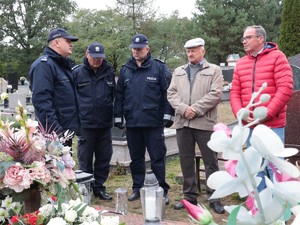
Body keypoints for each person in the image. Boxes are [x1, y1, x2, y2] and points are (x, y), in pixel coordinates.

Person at [230, 25, 293, 192]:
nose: (244, 41)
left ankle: (280, 214)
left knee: (275, 169)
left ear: (261, 39)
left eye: (248, 37)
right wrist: (241, 114)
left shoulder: (278, 57)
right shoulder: (241, 63)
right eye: (243, 38)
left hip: (272, 125)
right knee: (255, 169)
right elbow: (235, 92)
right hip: (250, 126)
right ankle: (261, 211)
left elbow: (285, 88)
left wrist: (266, 114)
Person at [114, 34, 174, 205]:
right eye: (133, 48)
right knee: (136, 159)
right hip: (132, 123)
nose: (136, 51)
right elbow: (119, 96)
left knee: (157, 157)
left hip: (153, 122)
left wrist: (168, 115)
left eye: (139, 48)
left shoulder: (159, 68)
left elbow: (167, 93)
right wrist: (118, 117)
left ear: (147, 49)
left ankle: (161, 190)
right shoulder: (126, 69)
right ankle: (137, 188)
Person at [167, 37, 225, 214]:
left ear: (203, 51)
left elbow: (216, 94)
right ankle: (189, 196)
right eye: (188, 51)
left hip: (204, 123)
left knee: (211, 161)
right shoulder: (178, 71)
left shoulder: (214, 70)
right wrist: (184, 109)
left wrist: (195, 109)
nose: (190, 54)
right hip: (183, 122)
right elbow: (171, 93)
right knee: (186, 160)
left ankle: (215, 197)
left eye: (194, 50)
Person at [73, 42, 115, 201]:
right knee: (85, 158)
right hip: (86, 124)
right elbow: (73, 99)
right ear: (87, 54)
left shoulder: (109, 72)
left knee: (104, 157)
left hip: (104, 124)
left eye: (100, 58)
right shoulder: (77, 73)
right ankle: (86, 188)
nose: (97, 60)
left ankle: (99, 187)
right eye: (94, 57)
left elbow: (111, 96)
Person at [29, 28, 80, 147]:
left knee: (66, 165)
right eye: (67, 41)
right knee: (53, 165)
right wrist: (56, 131)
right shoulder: (44, 66)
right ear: (56, 43)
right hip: (54, 134)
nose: (71, 45)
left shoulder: (61, 65)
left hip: (65, 131)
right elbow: (42, 101)